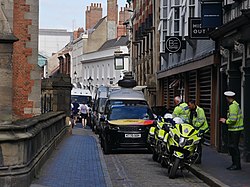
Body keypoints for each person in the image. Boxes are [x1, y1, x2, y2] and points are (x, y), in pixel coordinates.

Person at [219, 91, 244, 170]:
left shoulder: (233, 106)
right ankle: (235, 164)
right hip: (235, 129)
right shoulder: (235, 105)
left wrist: (225, 121)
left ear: (228, 97)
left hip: (235, 130)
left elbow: (233, 119)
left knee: (234, 147)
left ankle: (236, 165)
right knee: (233, 147)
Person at [187, 99, 209, 164]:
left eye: (189, 105)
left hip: (201, 129)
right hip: (195, 130)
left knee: (198, 144)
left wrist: (196, 126)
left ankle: (198, 159)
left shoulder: (200, 110)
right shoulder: (190, 111)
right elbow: (189, 119)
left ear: (193, 104)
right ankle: (193, 156)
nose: (189, 106)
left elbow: (201, 120)